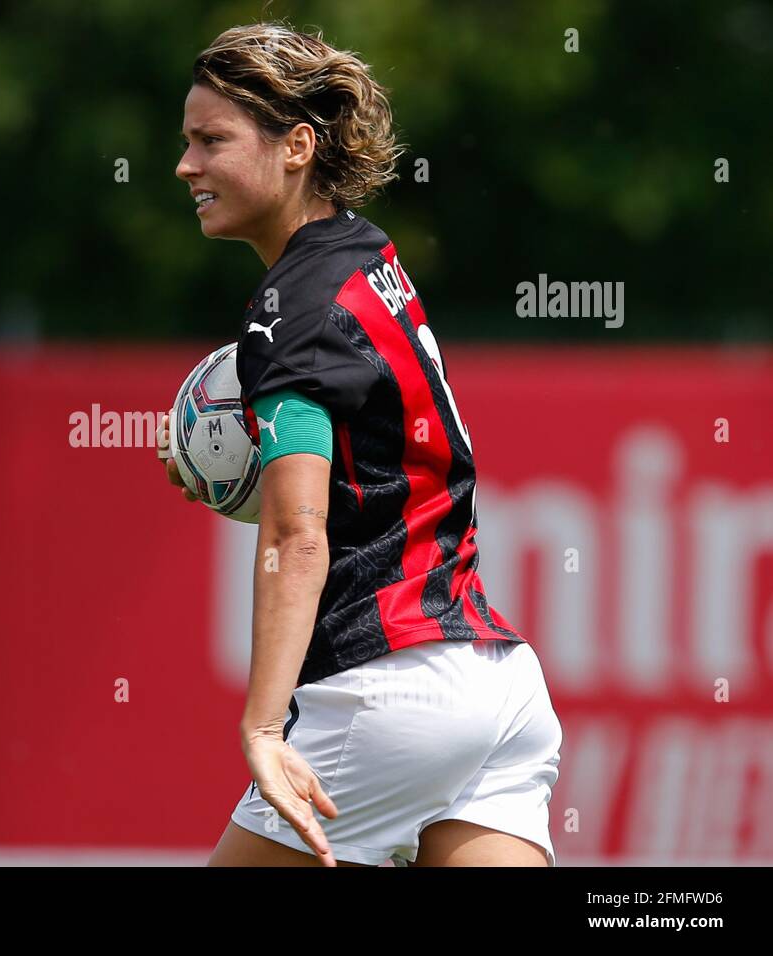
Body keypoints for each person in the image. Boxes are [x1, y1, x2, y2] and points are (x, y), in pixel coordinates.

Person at [164, 24, 563, 867]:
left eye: (211, 141)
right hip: (498, 686)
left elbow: (297, 535)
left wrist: (265, 724)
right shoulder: (365, 251)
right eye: (185, 142)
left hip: (387, 690)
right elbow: (360, 473)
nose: (185, 167)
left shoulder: (290, 312)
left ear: (297, 147)